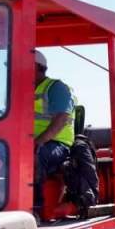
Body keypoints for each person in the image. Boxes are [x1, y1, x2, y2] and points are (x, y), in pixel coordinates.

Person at [33, 50, 76, 206]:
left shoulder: (56, 88)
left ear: (36, 66)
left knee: (32, 157)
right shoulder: (18, 90)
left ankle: (33, 209)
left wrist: (38, 141)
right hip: (28, 142)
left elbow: (61, 119)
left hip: (57, 143)